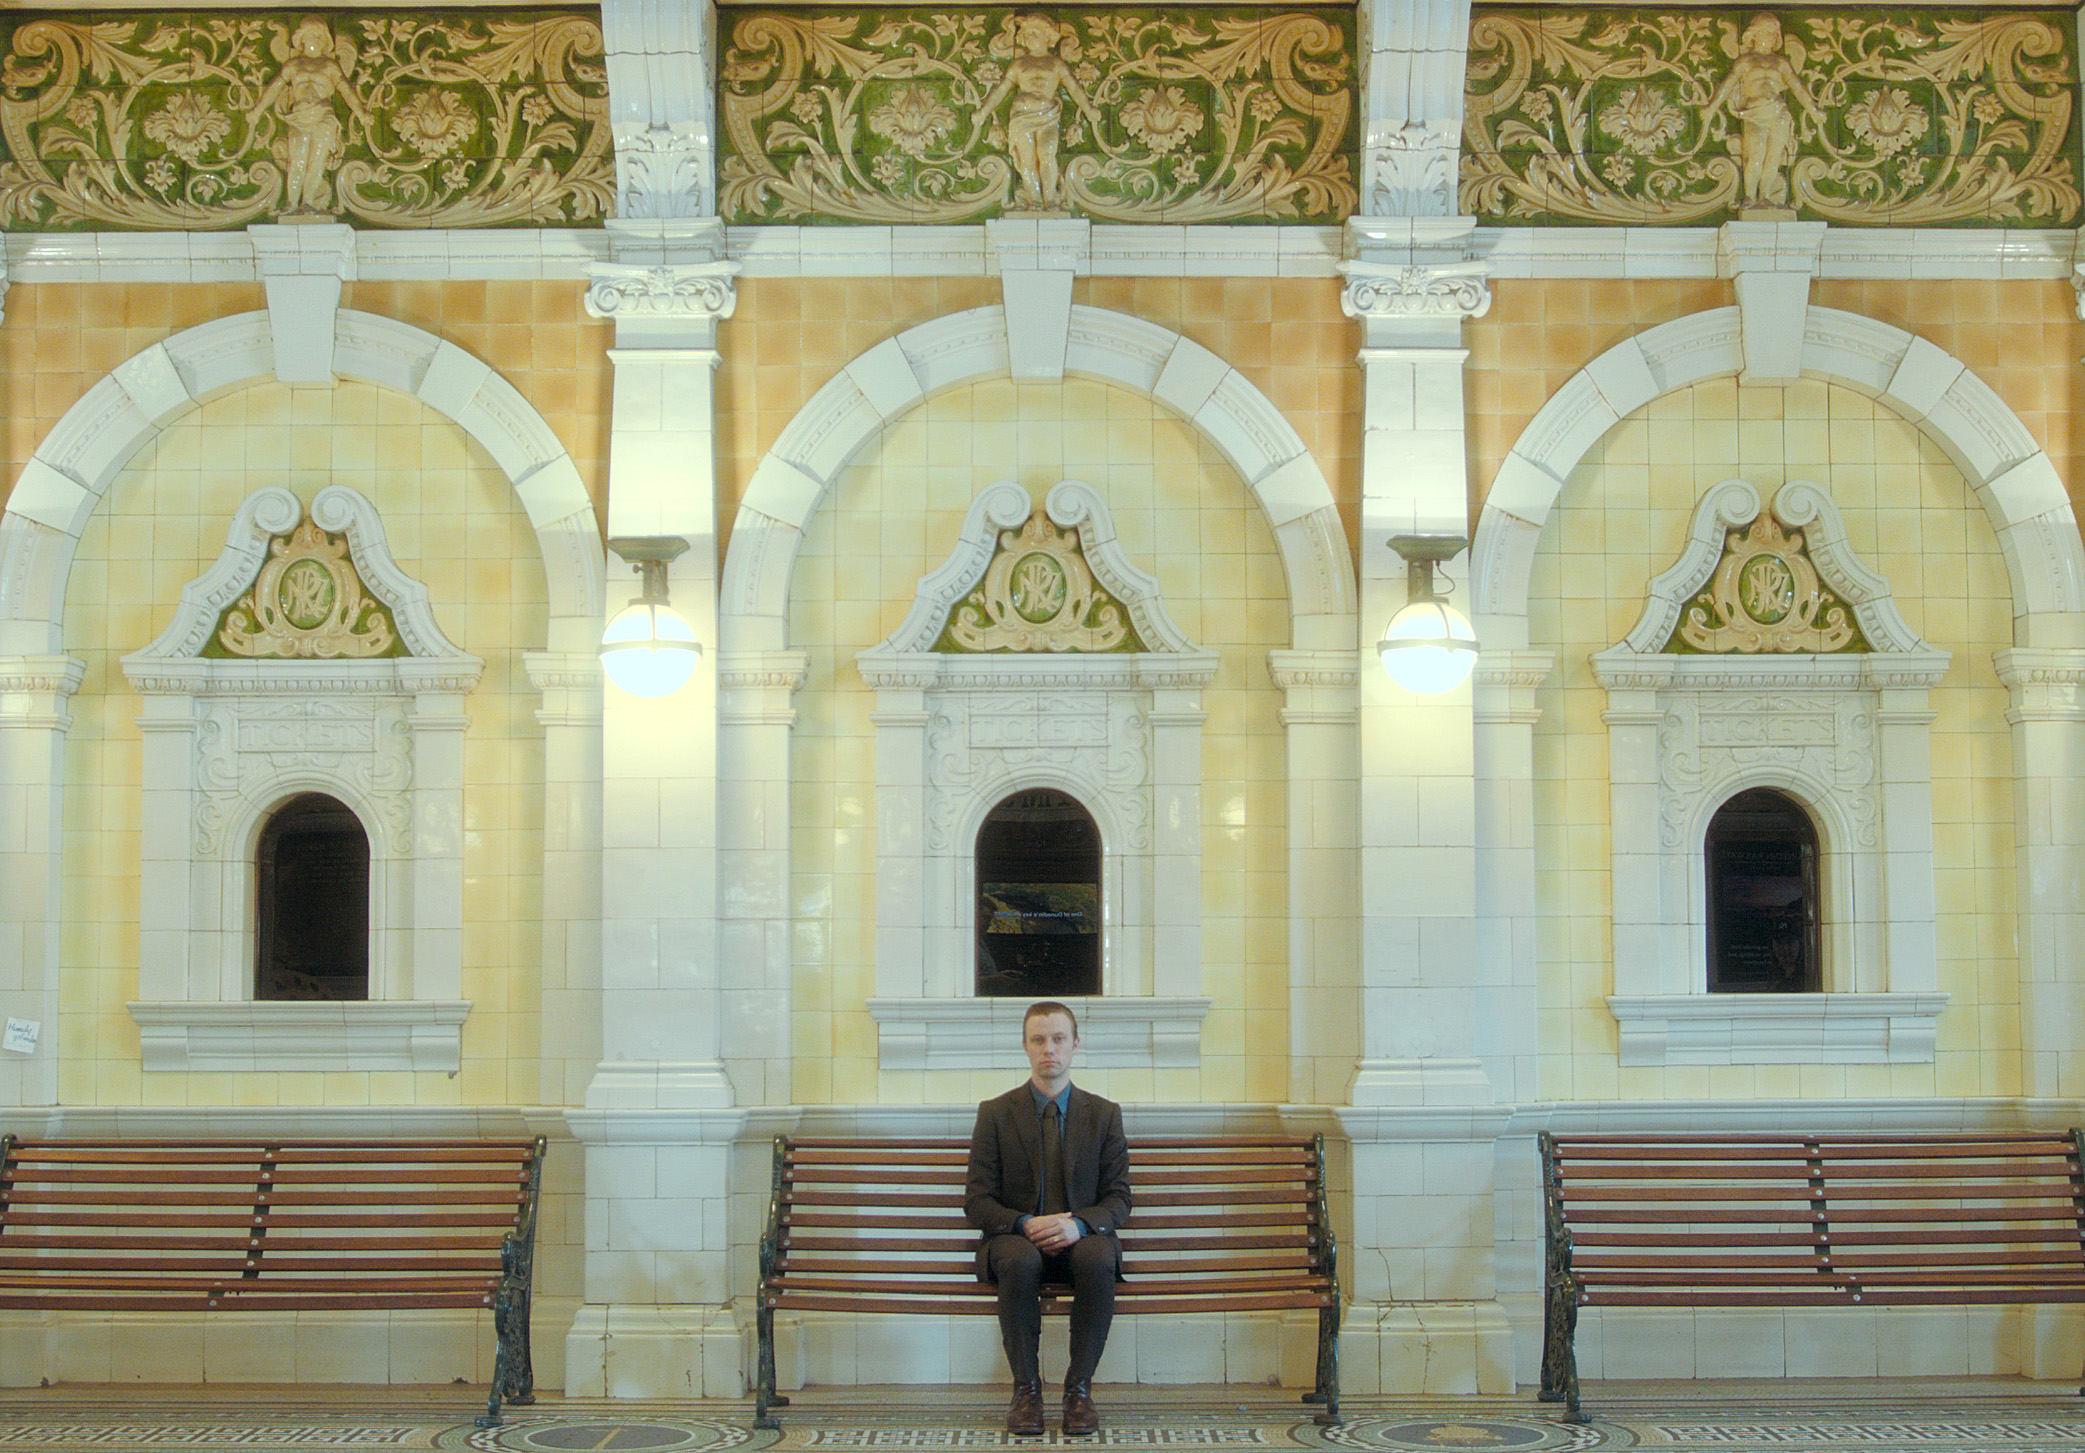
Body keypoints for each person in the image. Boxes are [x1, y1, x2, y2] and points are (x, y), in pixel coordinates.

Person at [964, 1001, 1131, 1436]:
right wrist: (1023, 1224)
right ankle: (1027, 1392)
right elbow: (977, 1201)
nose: (1048, 1049)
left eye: (1058, 1039)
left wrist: (1077, 1224)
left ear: (1075, 1045)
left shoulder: (1104, 1114)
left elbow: (1119, 1198)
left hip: (1082, 1241)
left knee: (1099, 1256)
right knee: (1020, 1259)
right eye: (1038, 1039)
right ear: (1025, 1046)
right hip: (1016, 1242)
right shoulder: (995, 1113)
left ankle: (1079, 1391)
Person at [974, 13, 1103, 212]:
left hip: (1048, 116)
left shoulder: (1056, 64)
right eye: (1026, 33)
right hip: (1021, 117)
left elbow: (1074, 89)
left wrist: (1089, 109)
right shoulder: (1018, 64)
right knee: (1026, 159)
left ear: (1047, 36)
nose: (1028, 37)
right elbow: (1001, 90)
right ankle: (1034, 199)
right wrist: (983, 112)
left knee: (1046, 153)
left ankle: (1050, 199)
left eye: (1034, 32)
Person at [1705, 14, 1824, 211]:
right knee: (1756, 155)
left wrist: (1813, 110)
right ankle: (1750, 197)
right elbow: (1727, 86)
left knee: (1774, 157)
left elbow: (1797, 87)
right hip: (1754, 114)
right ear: (1754, 34)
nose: (1771, 37)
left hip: (1778, 112)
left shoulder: (1781, 63)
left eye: (1774, 34)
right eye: (1767, 32)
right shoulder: (1746, 61)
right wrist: (1711, 108)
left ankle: (1765, 197)